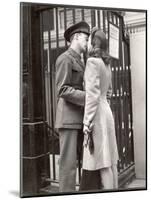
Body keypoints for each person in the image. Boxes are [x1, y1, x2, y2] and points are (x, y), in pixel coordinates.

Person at [80, 28, 119, 190]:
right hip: (106, 111)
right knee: (111, 161)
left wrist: (86, 122)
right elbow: (108, 92)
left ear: (93, 42)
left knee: (103, 162)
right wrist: (105, 107)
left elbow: (92, 96)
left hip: (97, 114)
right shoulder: (106, 63)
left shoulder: (92, 62)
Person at [55, 21, 90, 192]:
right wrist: (88, 97)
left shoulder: (81, 61)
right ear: (75, 37)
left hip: (79, 118)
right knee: (68, 168)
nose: (87, 42)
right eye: (85, 38)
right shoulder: (64, 59)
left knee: (84, 164)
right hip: (68, 119)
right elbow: (62, 89)